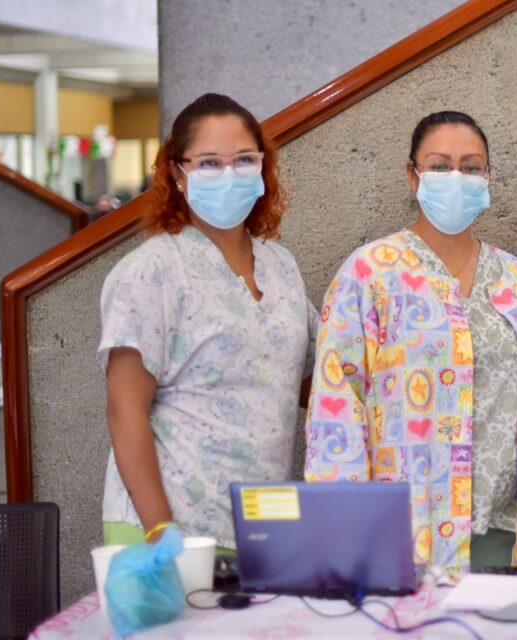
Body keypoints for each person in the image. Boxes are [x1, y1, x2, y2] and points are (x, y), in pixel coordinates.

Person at [304, 111, 517, 578]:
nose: (455, 177)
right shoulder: (370, 273)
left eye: (471, 166)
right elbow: (335, 407)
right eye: (439, 166)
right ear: (412, 174)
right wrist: (343, 528)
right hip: (402, 533)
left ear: (488, 177)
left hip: (502, 530)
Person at [98, 93, 315, 548]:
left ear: (262, 169)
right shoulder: (152, 271)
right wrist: (160, 531)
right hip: (170, 527)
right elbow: (125, 411)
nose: (229, 173)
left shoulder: (280, 266)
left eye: (243, 160)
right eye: (210, 163)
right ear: (178, 174)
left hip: (262, 522)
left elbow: (306, 378)